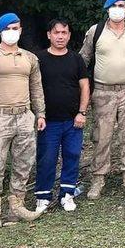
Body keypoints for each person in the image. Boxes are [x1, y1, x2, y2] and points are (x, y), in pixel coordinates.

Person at [0, 12, 46, 228]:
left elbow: (36, 87)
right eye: (8, 28)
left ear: (21, 30)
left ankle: (17, 207)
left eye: (16, 28)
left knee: (23, 164)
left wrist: (40, 113)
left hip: (24, 116)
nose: (12, 32)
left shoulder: (30, 58)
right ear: (0, 31)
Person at [80, 0, 125, 199]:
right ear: (107, 9)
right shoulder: (96, 31)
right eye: (114, 6)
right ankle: (98, 178)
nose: (117, 10)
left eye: (121, 6)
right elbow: (83, 58)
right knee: (102, 136)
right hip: (103, 91)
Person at [34, 19, 89, 213]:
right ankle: (43, 197)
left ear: (69, 35)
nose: (60, 36)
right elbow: (33, 87)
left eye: (64, 33)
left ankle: (67, 194)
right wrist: (38, 114)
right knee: (47, 158)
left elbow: (84, 86)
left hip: (73, 120)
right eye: (56, 32)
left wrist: (82, 112)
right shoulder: (38, 59)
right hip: (48, 121)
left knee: (72, 156)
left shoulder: (76, 59)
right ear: (49, 34)